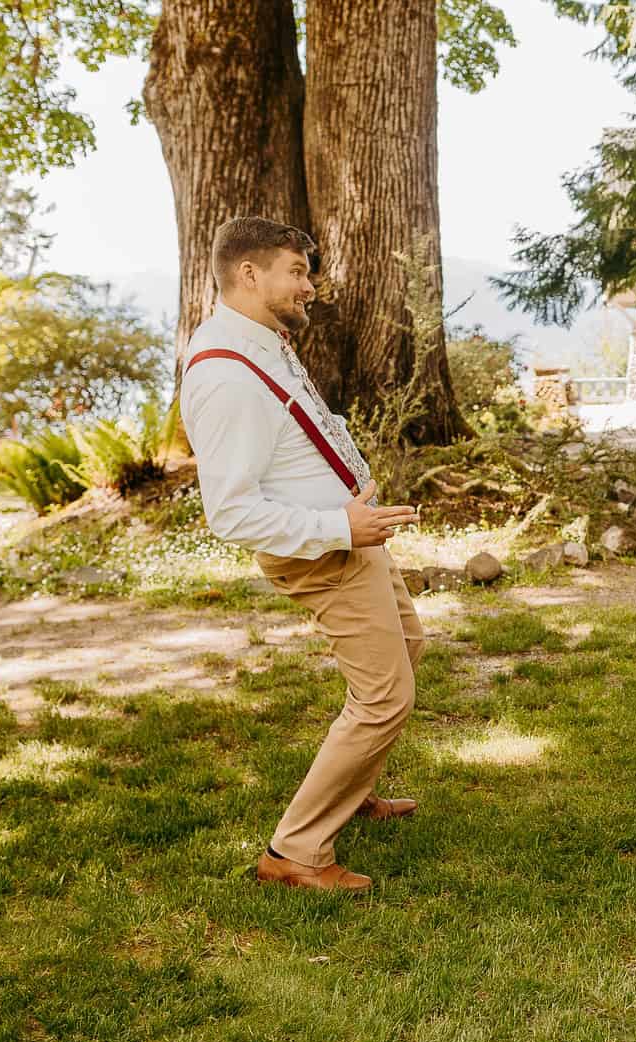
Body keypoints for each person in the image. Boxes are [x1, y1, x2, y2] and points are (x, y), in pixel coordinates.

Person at [180, 216, 423, 894]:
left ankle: (350, 792)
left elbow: (309, 426)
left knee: (408, 644)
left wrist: (355, 486)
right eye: (297, 270)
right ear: (249, 274)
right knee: (385, 695)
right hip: (325, 549)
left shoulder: (265, 342)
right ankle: (297, 850)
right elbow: (231, 511)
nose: (309, 285)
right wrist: (340, 525)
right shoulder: (225, 374)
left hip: (347, 531)